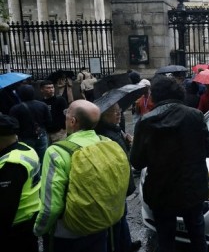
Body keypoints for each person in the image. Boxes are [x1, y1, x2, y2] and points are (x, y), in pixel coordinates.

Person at [131, 76, 209, 252]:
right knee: (198, 237)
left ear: (155, 96)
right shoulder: (195, 116)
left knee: (165, 240)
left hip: (161, 192)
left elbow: (137, 162)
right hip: (193, 189)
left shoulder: (145, 122)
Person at [33, 100, 115, 251]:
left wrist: (39, 229)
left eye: (67, 113)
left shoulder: (57, 152)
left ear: (72, 121)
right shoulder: (107, 143)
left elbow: (52, 207)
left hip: (67, 235)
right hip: (100, 225)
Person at [94, 103, 141, 252]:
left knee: (123, 215)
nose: (119, 114)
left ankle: (126, 244)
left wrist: (127, 143)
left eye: (119, 111)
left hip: (121, 182)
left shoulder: (115, 129)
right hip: (113, 185)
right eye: (114, 112)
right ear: (103, 115)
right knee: (116, 220)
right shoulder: (104, 134)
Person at [0, 115, 41, 252]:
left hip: (16, 226)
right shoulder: (25, 148)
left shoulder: (12, 164)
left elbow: (5, 209)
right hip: (29, 218)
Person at [9, 84, 52, 162]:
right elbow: (49, 121)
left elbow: (13, 125)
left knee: (28, 159)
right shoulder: (42, 105)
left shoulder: (15, 109)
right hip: (41, 135)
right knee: (43, 159)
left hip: (25, 137)